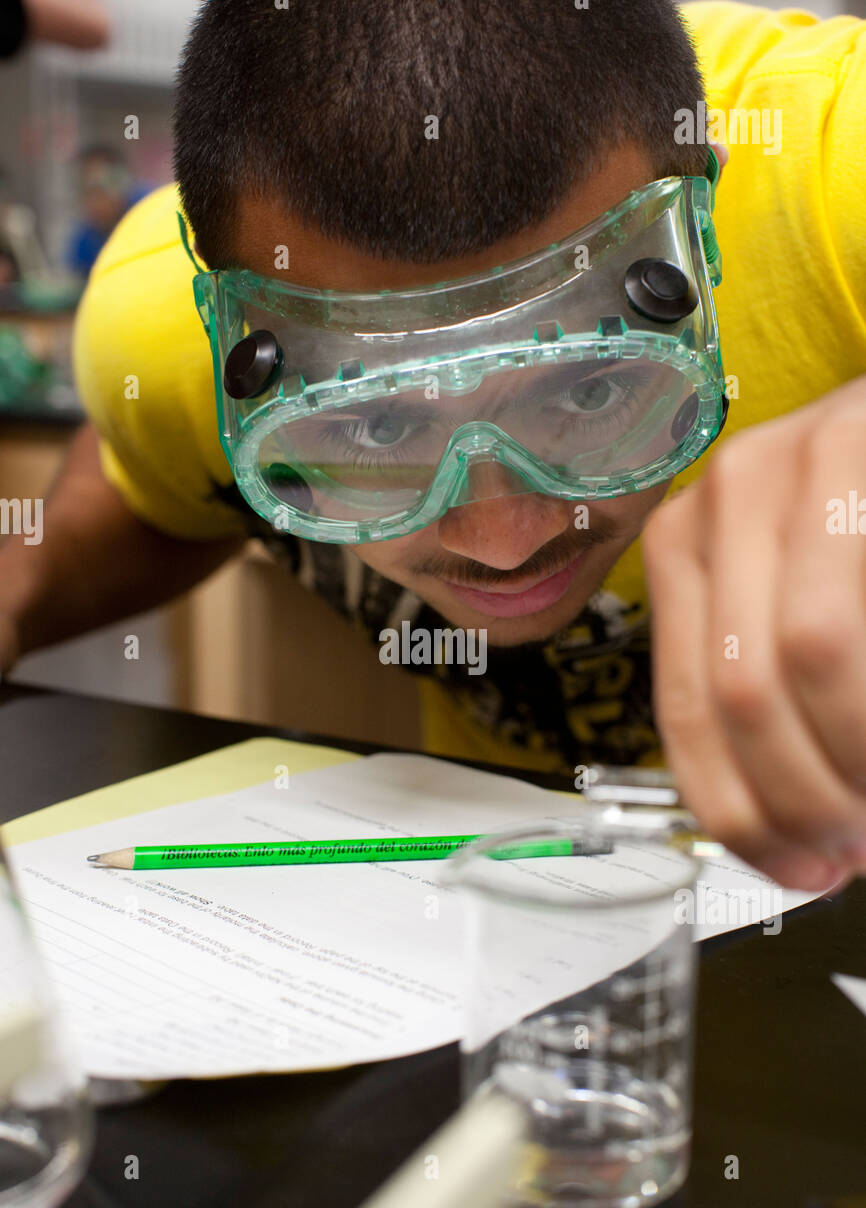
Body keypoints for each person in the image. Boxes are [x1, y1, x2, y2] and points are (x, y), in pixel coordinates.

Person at [0, 0, 864, 896]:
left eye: (591, 386)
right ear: (228, 334)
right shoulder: (164, 336)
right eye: (378, 424)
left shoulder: (835, 168)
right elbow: (153, 490)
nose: (504, 540)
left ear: (703, 224)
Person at [66, 147, 150, 280]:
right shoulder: (85, 237)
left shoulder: (151, 213)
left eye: (99, 190)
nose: (93, 201)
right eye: (85, 191)